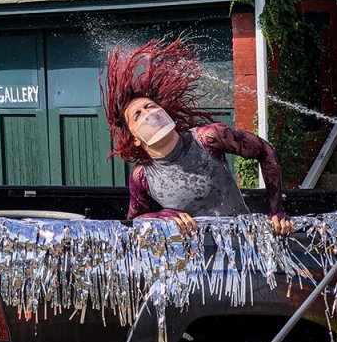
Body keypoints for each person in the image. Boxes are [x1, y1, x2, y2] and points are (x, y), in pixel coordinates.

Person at [101, 38, 292, 235]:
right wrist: (160, 215)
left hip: (241, 243)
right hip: (194, 258)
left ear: (164, 112)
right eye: (137, 114)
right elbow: (133, 221)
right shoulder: (142, 176)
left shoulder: (208, 138)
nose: (148, 114)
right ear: (135, 138)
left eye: (150, 106)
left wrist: (277, 211)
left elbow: (264, 150)